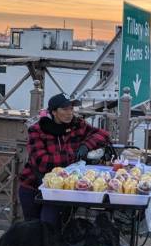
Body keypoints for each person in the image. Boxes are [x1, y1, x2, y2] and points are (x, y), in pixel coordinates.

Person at [19, 93, 111, 224]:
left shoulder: (77, 125)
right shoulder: (37, 130)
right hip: (33, 185)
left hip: (60, 190)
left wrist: (86, 145)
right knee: (32, 227)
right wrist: (75, 155)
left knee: (50, 225)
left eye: (71, 109)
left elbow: (103, 135)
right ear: (54, 112)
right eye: (65, 109)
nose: (70, 113)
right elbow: (43, 162)